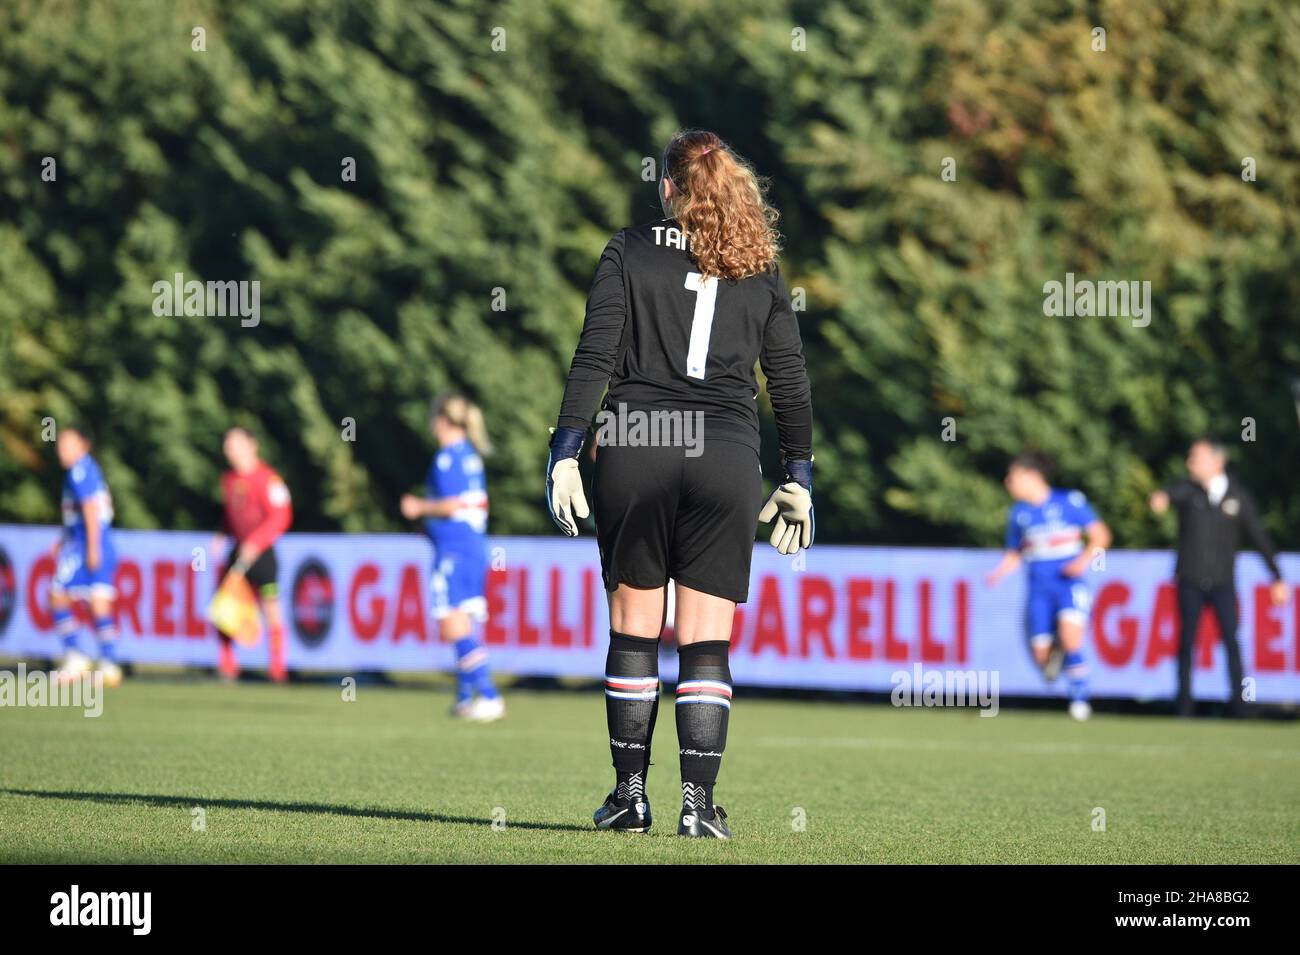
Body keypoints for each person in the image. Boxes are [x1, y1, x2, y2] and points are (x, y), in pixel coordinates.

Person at [546, 129, 814, 839]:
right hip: (725, 451)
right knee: (705, 642)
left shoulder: (628, 249)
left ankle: (630, 797)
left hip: (638, 441)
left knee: (635, 629)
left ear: (667, 186)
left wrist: (566, 448)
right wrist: (801, 474)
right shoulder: (758, 264)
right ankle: (699, 807)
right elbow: (787, 378)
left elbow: (594, 353)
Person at [1148, 438, 1287, 717]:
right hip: (1189, 579)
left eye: (1196, 458)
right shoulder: (1189, 491)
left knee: (1231, 642)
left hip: (1223, 582)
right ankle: (1184, 707)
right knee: (1187, 643)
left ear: (1216, 461)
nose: (1190, 464)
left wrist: (1277, 576)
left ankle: (1240, 705)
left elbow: (1258, 536)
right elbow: (1169, 494)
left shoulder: (1236, 496)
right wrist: (1160, 498)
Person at [401, 394, 504, 722]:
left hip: (455, 550)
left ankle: (489, 695)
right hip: (472, 548)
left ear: (443, 420)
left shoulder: (448, 458)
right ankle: (464, 697)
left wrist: (419, 507)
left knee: (452, 625)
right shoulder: (470, 455)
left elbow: (453, 504)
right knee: (462, 622)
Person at [986, 453, 1112, 721]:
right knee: (1044, 660)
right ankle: (1059, 654)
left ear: (1032, 476)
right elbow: (1015, 552)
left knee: (1071, 638)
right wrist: (997, 574)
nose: (1008, 483)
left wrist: (1085, 562)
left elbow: (1101, 536)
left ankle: (1080, 702)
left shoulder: (1068, 501)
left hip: (1069, 585)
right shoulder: (1019, 513)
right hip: (1038, 591)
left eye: (1013, 477)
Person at [213, 427, 293, 682]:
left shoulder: (268, 479)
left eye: (235, 444)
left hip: (262, 554)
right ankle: (227, 664)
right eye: (227, 445)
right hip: (238, 552)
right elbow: (232, 516)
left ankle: (277, 667)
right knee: (225, 607)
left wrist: (256, 543)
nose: (230, 450)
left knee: (271, 608)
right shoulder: (228, 480)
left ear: (252, 445)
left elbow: (281, 516)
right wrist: (221, 535)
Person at [50, 424, 122, 687]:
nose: (62, 450)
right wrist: (63, 539)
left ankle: (77, 656)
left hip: (87, 545)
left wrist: (92, 548)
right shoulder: (88, 469)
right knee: (99, 602)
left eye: (68, 445)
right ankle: (109, 663)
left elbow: (90, 511)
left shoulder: (79, 471)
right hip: (98, 542)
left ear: (83, 446)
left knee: (57, 594)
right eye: (60, 444)